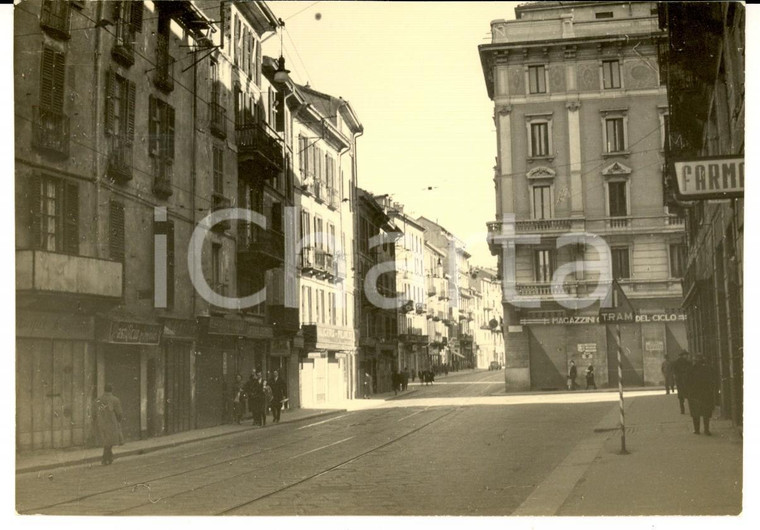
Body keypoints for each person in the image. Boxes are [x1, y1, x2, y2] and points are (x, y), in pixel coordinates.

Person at [686, 355, 716, 435]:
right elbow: (713, 380)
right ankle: (706, 430)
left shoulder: (691, 369)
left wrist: (688, 393)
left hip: (694, 394)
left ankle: (697, 430)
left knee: (695, 413)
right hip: (706, 394)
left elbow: (687, 382)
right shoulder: (709, 369)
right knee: (706, 413)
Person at [95, 384, 123, 466]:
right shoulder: (115, 400)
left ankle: (108, 457)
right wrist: (119, 421)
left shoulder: (98, 400)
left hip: (101, 422)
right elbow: (119, 413)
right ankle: (106, 458)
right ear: (111, 390)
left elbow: (94, 412)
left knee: (106, 440)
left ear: (104, 390)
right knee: (110, 441)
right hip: (111, 422)